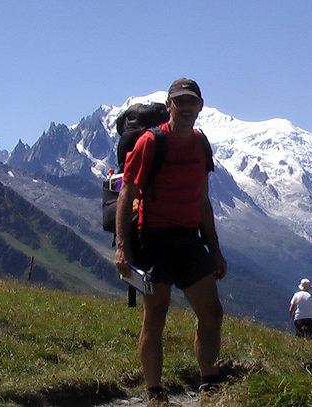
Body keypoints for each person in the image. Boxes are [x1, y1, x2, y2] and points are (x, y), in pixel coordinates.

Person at [115, 78, 227, 405]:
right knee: (156, 315)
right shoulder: (151, 142)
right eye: (180, 102)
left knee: (212, 313)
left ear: (200, 106)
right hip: (154, 240)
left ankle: (209, 383)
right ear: (169, 105)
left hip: (190, 241)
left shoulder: (201, 145)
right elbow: (127, 194)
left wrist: (215, 251)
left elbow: (203, 201)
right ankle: (154, 391)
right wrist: (123, 246)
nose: (187, 107)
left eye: (192, 102)